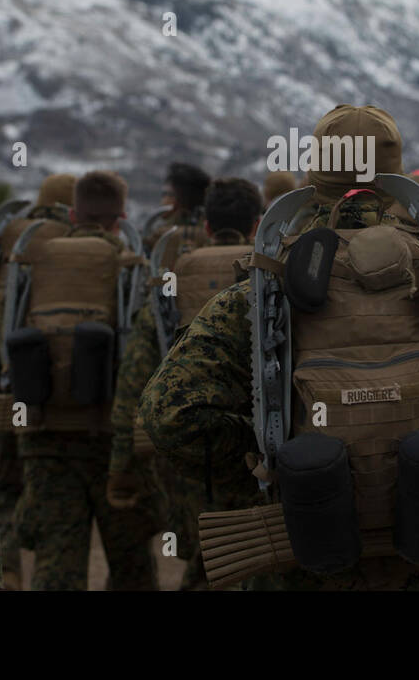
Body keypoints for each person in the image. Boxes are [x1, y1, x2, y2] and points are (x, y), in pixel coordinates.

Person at [140, 105, 419, 590]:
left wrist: (268, 469)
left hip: (305, 557)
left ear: (316, 172)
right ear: (393, 176)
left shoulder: (261, 290)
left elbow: (169, 416)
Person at [108, 177, 263, 589]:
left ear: (207, 227)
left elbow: (134, 387)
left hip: (200, 459)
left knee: (207, 559)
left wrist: (122, 470)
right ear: (258, 223)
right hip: (271, 460)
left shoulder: (173, 280)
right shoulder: (278, 275)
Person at [16, 171, 162, 590]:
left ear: (73, 213)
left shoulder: (34, 258)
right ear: (123, 215)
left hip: (45, 439)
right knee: (133, 564)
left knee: (56, 566)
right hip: (114, 443)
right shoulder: (132, 263)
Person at [0, 172, 76, 590]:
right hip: (46, 386)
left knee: (0, 484)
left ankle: (6, 571)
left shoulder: (2, 235)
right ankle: (48, 566)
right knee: (47, 489)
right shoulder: (72, 242)